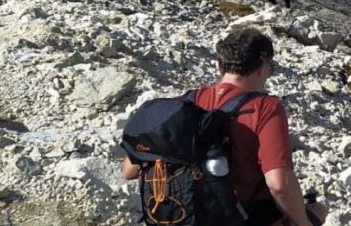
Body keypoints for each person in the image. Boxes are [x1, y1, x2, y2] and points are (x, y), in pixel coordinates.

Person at [122, 28, 328, 226]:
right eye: (270, 68)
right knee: (317, 210)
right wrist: (303, 222)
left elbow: (129, 171)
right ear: (261, 67)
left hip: (181, 215)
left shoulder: (181, 105)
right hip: (241, 217)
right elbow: (279, 184)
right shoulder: (265, 107)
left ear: (219, 66)